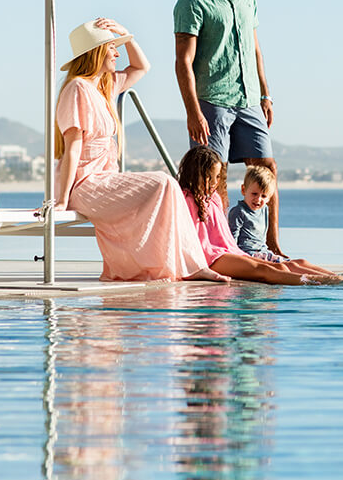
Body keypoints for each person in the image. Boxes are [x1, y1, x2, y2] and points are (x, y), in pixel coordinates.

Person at [52, 17, 226, 283]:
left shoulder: (105, 88)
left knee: (168, 186)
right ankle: (186, 266)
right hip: (84, 185)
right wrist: (62, 200)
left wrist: (126, 35)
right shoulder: (77, 89)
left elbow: (141, 67)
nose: (117, 53)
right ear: (96, 52)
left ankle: (189, 264)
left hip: (104, 180)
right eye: (112, 47)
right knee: (163, 183)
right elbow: (73, 147)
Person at [173, 0, 285, 257]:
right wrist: (193, 112)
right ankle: (221, 248)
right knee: (213, 175)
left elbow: (255, 49)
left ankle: (271, 243)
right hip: (212, 99)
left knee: (268, 167)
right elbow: (183, 61)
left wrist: (265, 94)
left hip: (248, 98)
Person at [177, 147, 343, 283]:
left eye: (217, 177)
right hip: (210, 257)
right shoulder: (184, 199)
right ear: (195, 173)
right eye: (209, 177)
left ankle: (335, 278)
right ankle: (317, 281)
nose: (214, 183)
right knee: (263, 271)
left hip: (228, 252)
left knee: (283, 266)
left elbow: (224, 237)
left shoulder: (214, 198)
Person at [229, 165, 286, 262]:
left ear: (269, 198)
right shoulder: (239, 212)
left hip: (263, 251)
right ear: (243, 190)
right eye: (254, 194)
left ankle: (314, 273)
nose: (258, 199)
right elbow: (232, 241)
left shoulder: (264, 209)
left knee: (298, 263)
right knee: (281, 266)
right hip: (248, 254)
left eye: (263, 196)